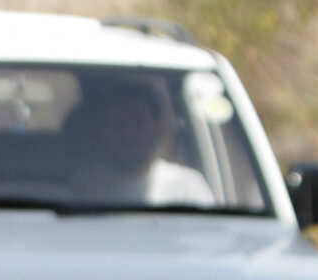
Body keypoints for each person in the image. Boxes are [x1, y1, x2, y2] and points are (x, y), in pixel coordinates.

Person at [66, 78, 215, 206]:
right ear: (103, 130)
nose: (129, 134)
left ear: (158, 128)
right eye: (119, 124)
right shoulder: (85, 188)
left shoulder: (186, 186)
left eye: (138, 123)